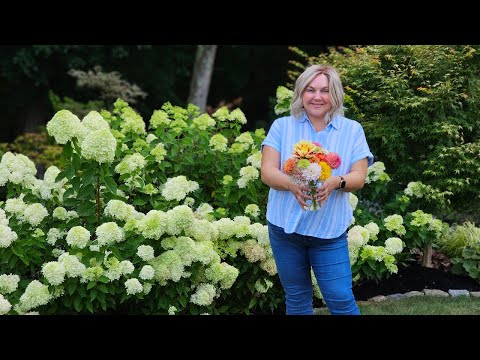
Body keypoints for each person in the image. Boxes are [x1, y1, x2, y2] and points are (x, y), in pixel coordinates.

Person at [260, 64, 374, 315]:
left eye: (325, 90)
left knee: (340, 298)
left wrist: (336, 182)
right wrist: (291, 185)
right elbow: (267, 171)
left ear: (335, 95)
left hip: (329, 232)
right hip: (285, 229)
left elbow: (359, 177)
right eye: (310, 90)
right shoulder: (282, 126)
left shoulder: (352, 130)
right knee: (297, 298)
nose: (317, 97)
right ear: (301, 93)